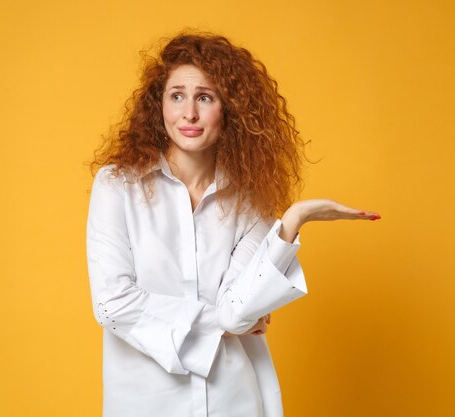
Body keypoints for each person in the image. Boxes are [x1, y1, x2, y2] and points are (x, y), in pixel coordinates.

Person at [86, 30, 381, 417]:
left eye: (204, 97)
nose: (188, 113)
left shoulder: (252, 201)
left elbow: (239, 312)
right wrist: (224, 322)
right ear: (158, 106)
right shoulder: (117, 186)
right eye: (177, 96)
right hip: (145, 403)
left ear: (230, 109)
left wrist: (292, 221)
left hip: (234, 400)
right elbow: (111, 305)